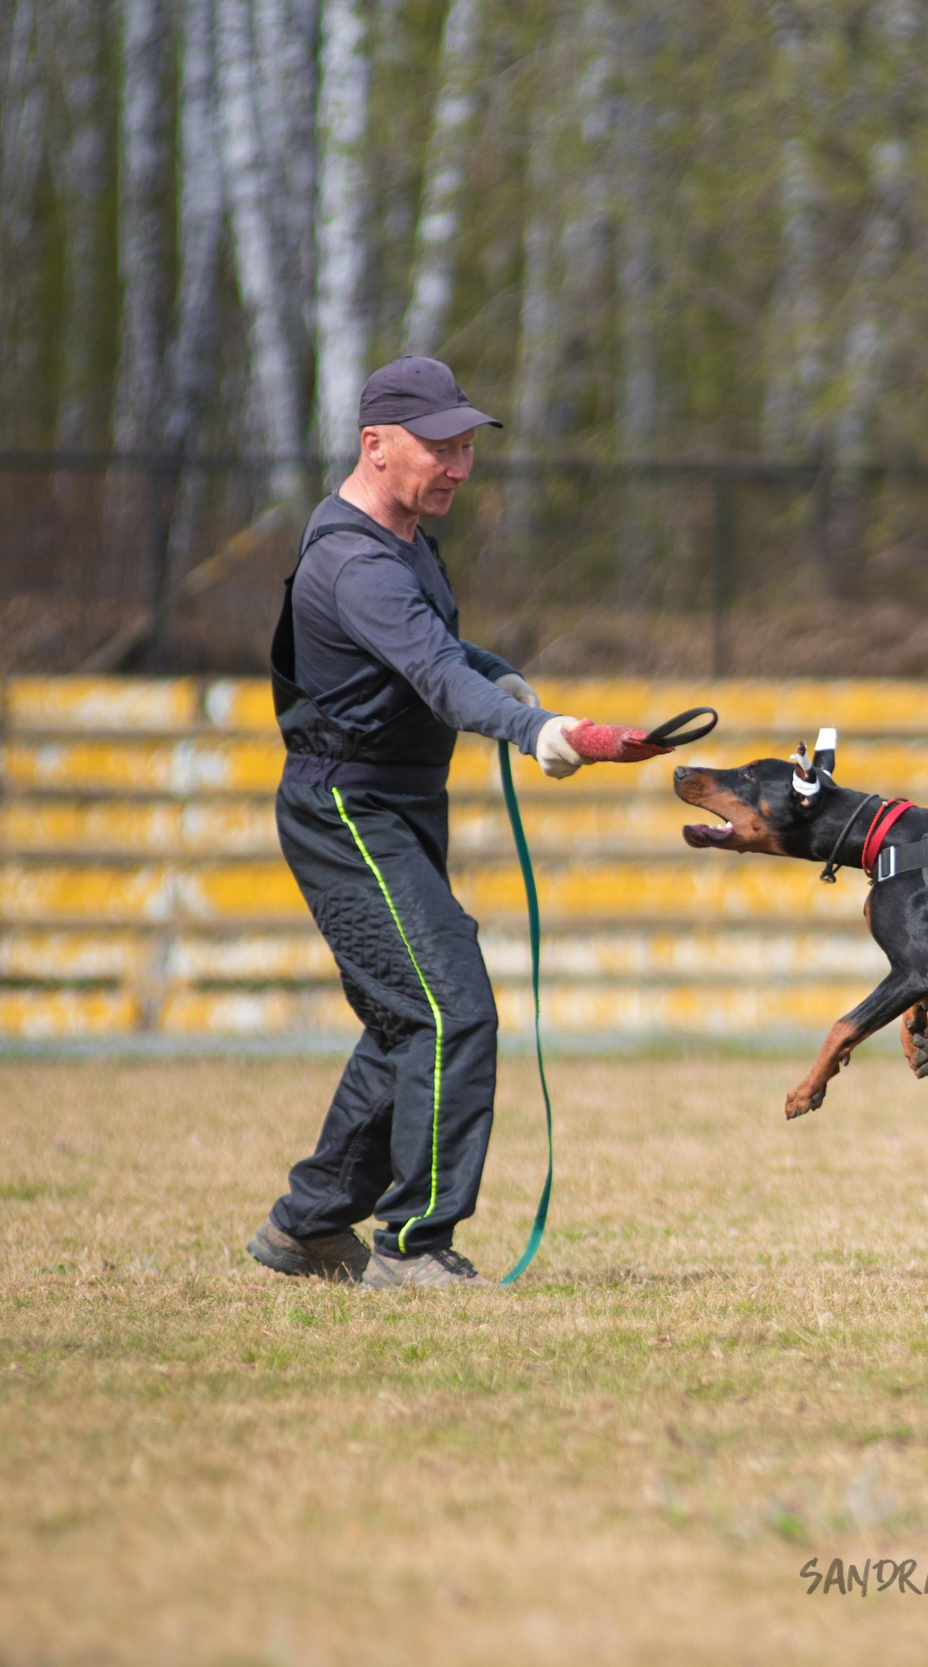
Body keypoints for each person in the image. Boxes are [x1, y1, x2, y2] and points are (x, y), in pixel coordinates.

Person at [247, 357, 670, 1290]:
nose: (459, 467)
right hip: (348, 811)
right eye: (440, 448)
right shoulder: (355, 561)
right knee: (453, 1011)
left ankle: (309, 1225)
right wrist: (542, 729)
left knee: (409, 1018)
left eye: (467, 447)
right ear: (376, 445)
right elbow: (434, 678)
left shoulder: (401, 537)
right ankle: (413, 1244)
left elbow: (439, 650)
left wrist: (501, 673)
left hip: (398, 801)